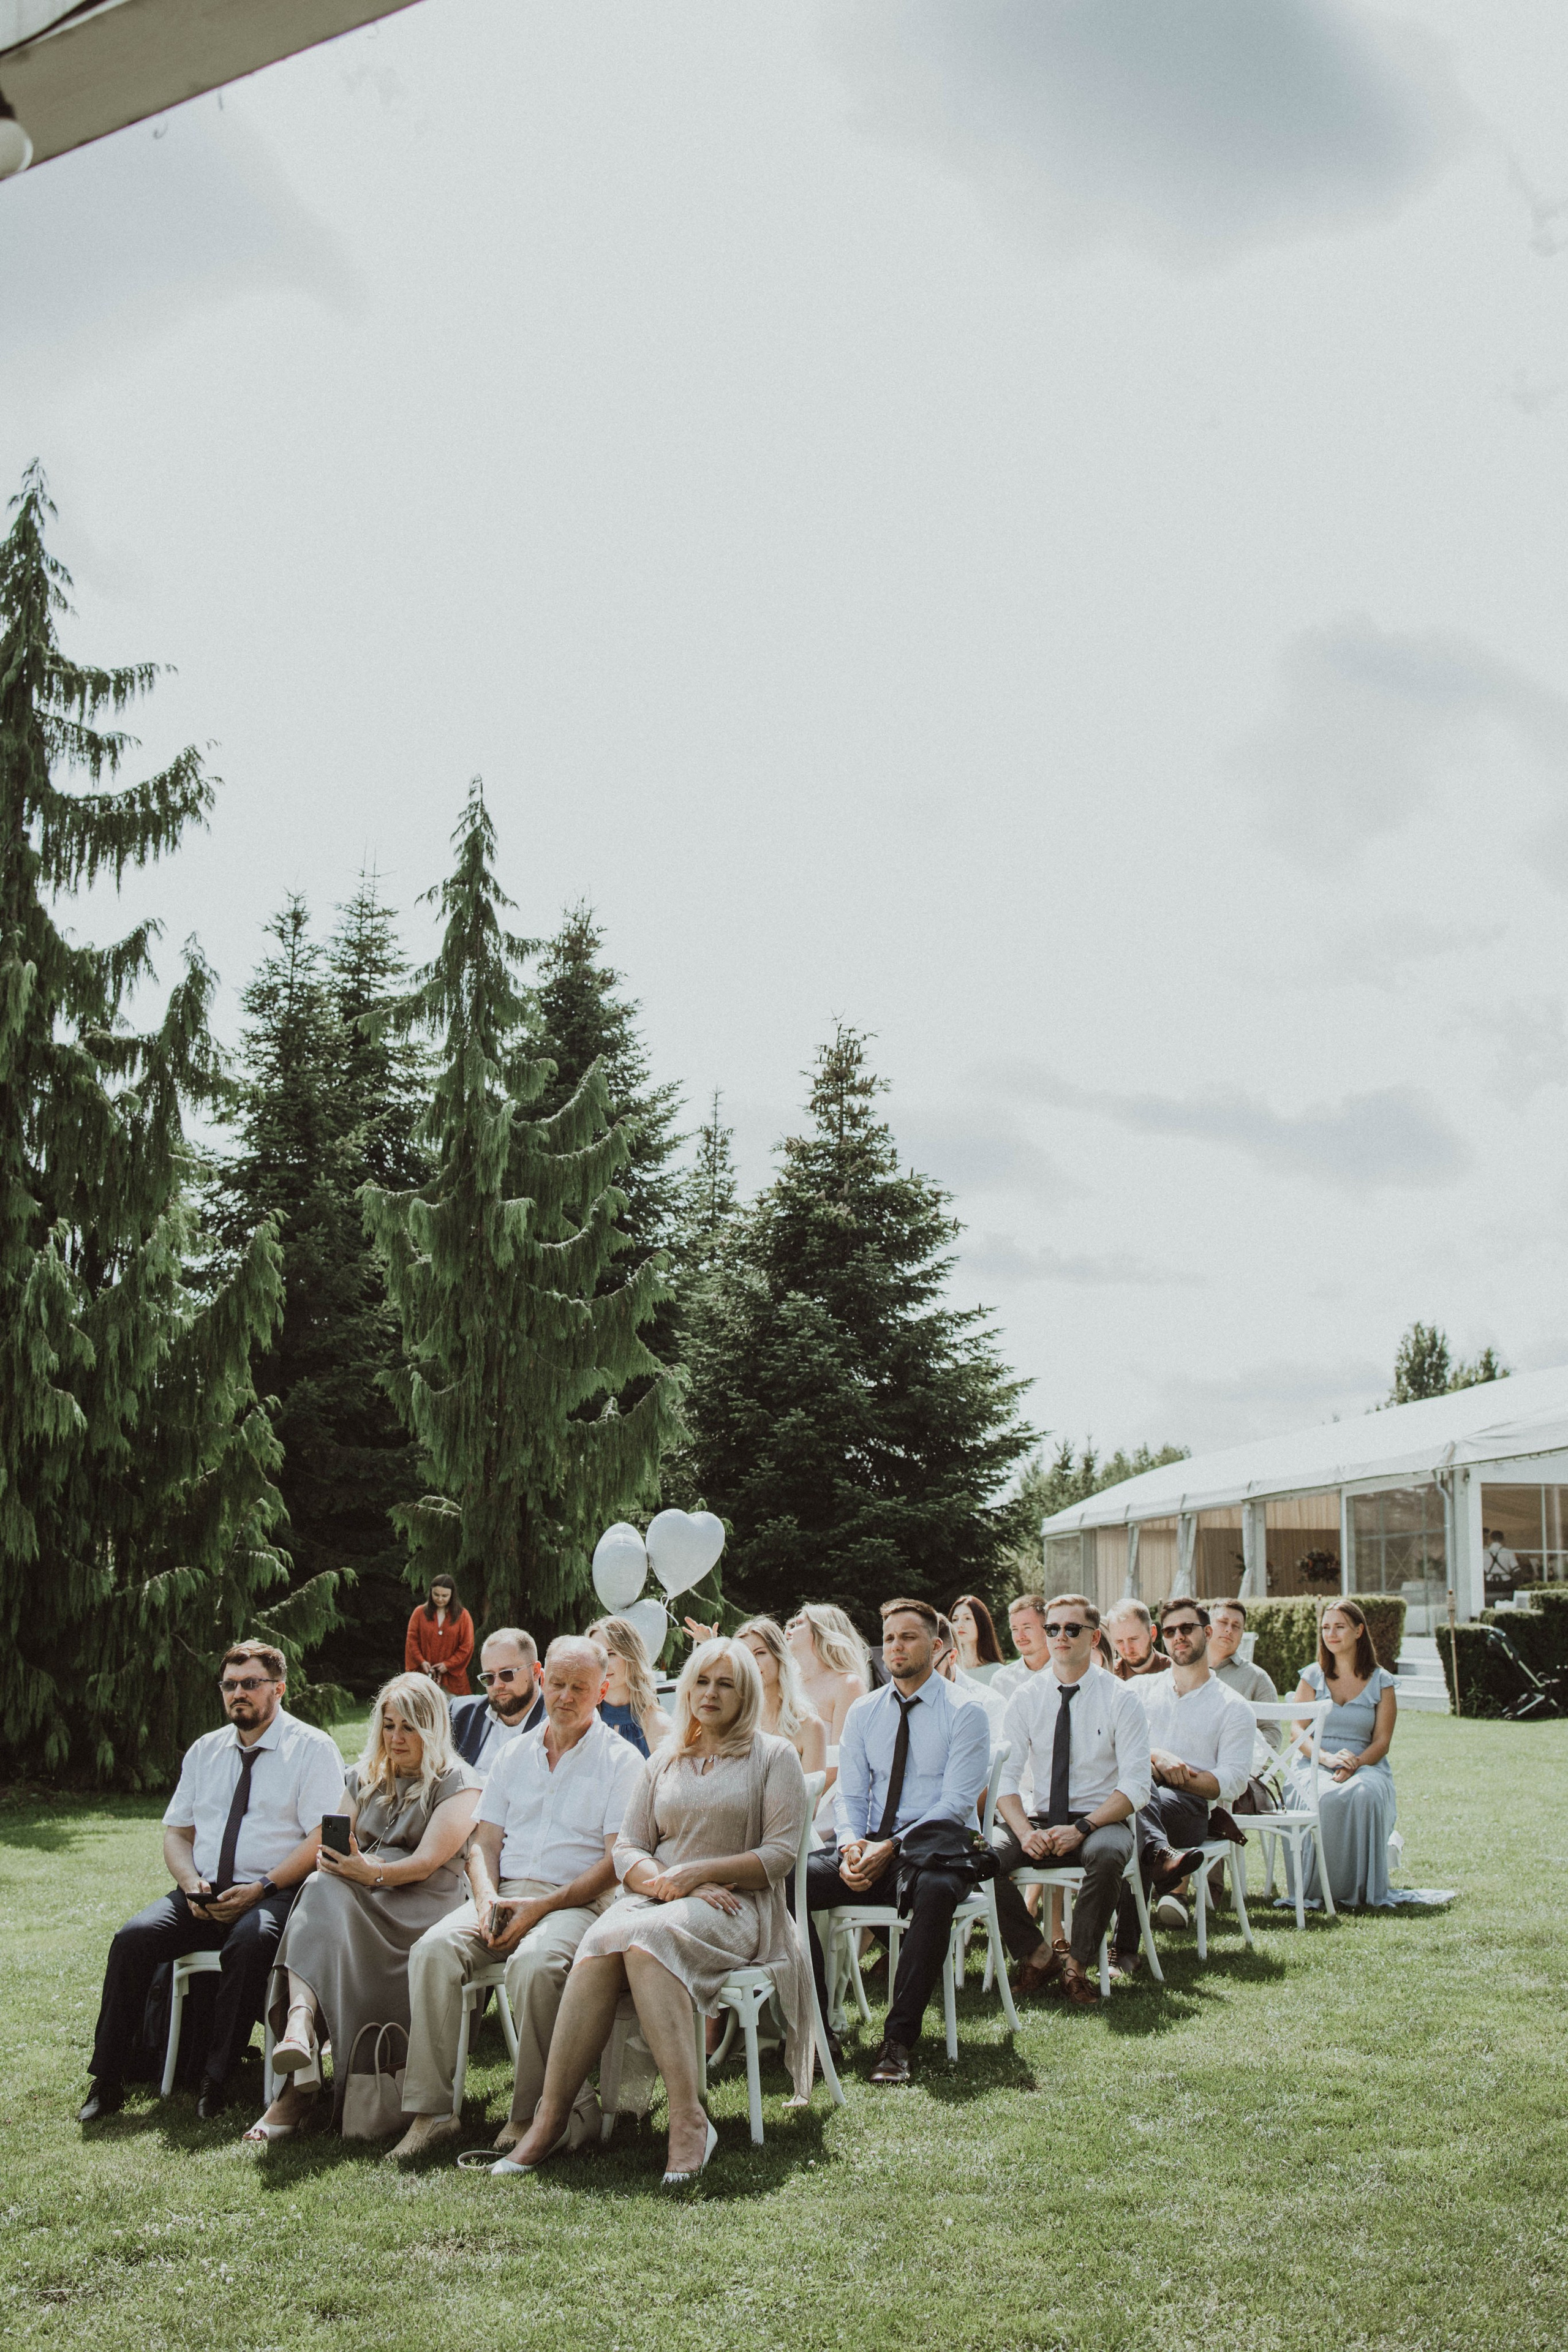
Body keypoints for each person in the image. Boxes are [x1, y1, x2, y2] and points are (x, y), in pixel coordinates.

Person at [500, 1638, 811, 2185]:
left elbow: (781, 1855)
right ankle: (549, 2119)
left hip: (739, 1906)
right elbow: (628, 1848)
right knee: (600, 1945)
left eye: (726, 1684)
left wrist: (698, 1874)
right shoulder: (665, 1757)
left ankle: (689, 2120)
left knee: (644, 1942)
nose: (709, 1694)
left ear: (748, 1694)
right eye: (701, 1681)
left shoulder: (773, 1756)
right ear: (686, 1687)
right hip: (659, 1900)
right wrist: (668, 1885)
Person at [389, 1636, 645, 2161]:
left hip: (576, 1903)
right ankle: (433, 2112)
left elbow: (614, 1863)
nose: (565, 1697)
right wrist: (485, 1901)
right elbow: (483, 1842)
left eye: (580, 1687)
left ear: (603, 1691)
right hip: (502, 1897)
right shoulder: (512, 1756)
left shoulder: (622, 1762)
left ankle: (533, 2113)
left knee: (535, 1962)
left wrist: (541, 1908)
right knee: (433, 1950)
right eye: (557, 1683)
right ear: (541, 1678)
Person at [79, 1642, 345, 2124]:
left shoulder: (312, 1748)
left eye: (250, 1684)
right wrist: (189, 1884)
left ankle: (214, 2079)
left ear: (279, 1688)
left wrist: (262, 1888)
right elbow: (178, 1834)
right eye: (230, 1685)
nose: (238, 1693)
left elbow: (321, 1836)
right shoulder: (206, 1751)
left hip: (275, 1894)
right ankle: (108, 2078)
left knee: (251, 1942)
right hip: (202, 1893)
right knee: (132, 1938)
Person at [249, 1673, 479, 2140]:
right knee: (319, 1882)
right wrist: (339, 1861)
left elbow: (426, 1863)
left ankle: (299, 2066)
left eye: (409, 1728)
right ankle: (300, 2029)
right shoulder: (363, 1776)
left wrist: (367, 1872)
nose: (396, 1738)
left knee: (324, 1892)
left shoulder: (459, 1782)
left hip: (423, 1906)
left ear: (432, 1730)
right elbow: (337, 1842)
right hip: (362, 1895)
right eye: (389, 1726)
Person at [804, 1598, 990, 2086]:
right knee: (789, 1881)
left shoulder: (966, 1712)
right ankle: (820, 2032)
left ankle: (898, 2041)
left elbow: (955, 1803)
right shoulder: (866, 1711)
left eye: (908, 1637)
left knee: (934, 1891)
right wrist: (849, 1846)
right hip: (870, 1851)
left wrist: (890, 1847)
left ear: (937, 1646)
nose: (896, 1646)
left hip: (934, 1852)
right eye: (888, 1637)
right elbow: (850, 1792)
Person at [988, 1595, 1152, 2008]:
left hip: (1098, 1819)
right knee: (981, 1858)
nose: (1060, 1636)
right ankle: (1039, 1955)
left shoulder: (1121, 1698)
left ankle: (1077, 1966)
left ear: (1094, 1637)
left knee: (1110, 1853)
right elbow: (1004, 1780)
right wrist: (1024, 1833)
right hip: (1039, 1820)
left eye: (1071, 1629)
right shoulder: (1026, 1697)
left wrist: (1083, 1827)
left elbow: (1137, 1785)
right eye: (1053, 1629)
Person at [1117, 1599, 1256, 1949]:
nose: (1178, 1637)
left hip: (1192, 1812)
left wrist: (1175, 1776)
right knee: (1133, 1802)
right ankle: (1160, 1857)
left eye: (1186, 1629)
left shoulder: (1233, 1706)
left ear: (1207, 1633)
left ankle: (1123, 1947)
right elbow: (1109, 1746)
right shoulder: (1138, 1691)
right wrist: (1157, 1757)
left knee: (1132, 1806)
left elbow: (1233, 1781)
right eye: (1169, 1631)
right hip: (1137, 1802)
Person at [1283, 1599, 1399, 1909]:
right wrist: (1326, 1758)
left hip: (1366, 1764)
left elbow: (1383, 1741)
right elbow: (1297, 1732)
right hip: (1314, 1760)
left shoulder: (1382, 1681)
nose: (1331, 1634)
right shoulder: (1312, 1676)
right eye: (1325, 1628)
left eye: (1339, 1627)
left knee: (1366, 1794)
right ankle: (1319, 1890)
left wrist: (1356, 1763)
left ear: (1359, 1631)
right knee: (1322, 1796)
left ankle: (1362, 1891)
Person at [450, 1628, 544, 1778]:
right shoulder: (460, 1713)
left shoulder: (554, 1724)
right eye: (489, 1677)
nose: (497, 1685)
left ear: (535, 1672)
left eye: (507, 1674)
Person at [786, 1605, 872, 1755]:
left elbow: (842, 1758)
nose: (788, 1631)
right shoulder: (787, 1683)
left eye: (798, 1624)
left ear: (822, 1630)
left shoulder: (848, 1684)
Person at [587, 1615, 674, 1756]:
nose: (602, 1664)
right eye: (595, 1656)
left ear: (632, 1657)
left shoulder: (659, 1726)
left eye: (611, 1654)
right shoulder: (581, 1721)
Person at [1206, 1599, 1281, 1749]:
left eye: (1236, 1626)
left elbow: (1272, 1733)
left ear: (1242, 1635)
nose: (1229, 1630)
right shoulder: (1187, 1671)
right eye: (1223, 1622)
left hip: (1239, 1766)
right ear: (1207, 1628)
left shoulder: (1257, 1678)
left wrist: (1242, 1759)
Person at [405, 1578, 475, 1696]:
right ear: (431, 1592)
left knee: (454, 1712)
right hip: (424, 1675)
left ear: (452, 1595)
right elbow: (412, 1640)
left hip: (452, 1680)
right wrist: (421, 1661)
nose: (440, 1599)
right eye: (436, 1594)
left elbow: (467, 1646)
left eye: (445, 1595)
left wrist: (448, 1665)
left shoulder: (463, 1616)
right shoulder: (419, 1613)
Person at [991, 1593, 1054, 1702]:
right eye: (1015, 1629)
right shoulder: (1002, 1681)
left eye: (1027, 1627)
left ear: (1047, 1629)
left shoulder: (1068, 1673)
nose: (1020, 1636)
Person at [1106, 1598, 1171, 1679]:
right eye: (1119, 1641)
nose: (1128, 1649)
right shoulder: (1108, 1677)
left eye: (1133, 1639)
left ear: (1152, 1633)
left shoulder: (1175, 1673)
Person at [949, 1594, 1006, 1684]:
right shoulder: (947, 1671)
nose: (959, 1625)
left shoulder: (1000, 1673)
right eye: (955, 1619)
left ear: (982, 1624)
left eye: (967, 1618)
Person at [1483, 1528, 1521, 1602]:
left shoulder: (1485, 1553)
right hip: (1506, 1584)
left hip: (1490, 1584)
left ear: (1491, 1539)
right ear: (1503, 1539)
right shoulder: (1509, 1552)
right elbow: (1517, 1571)